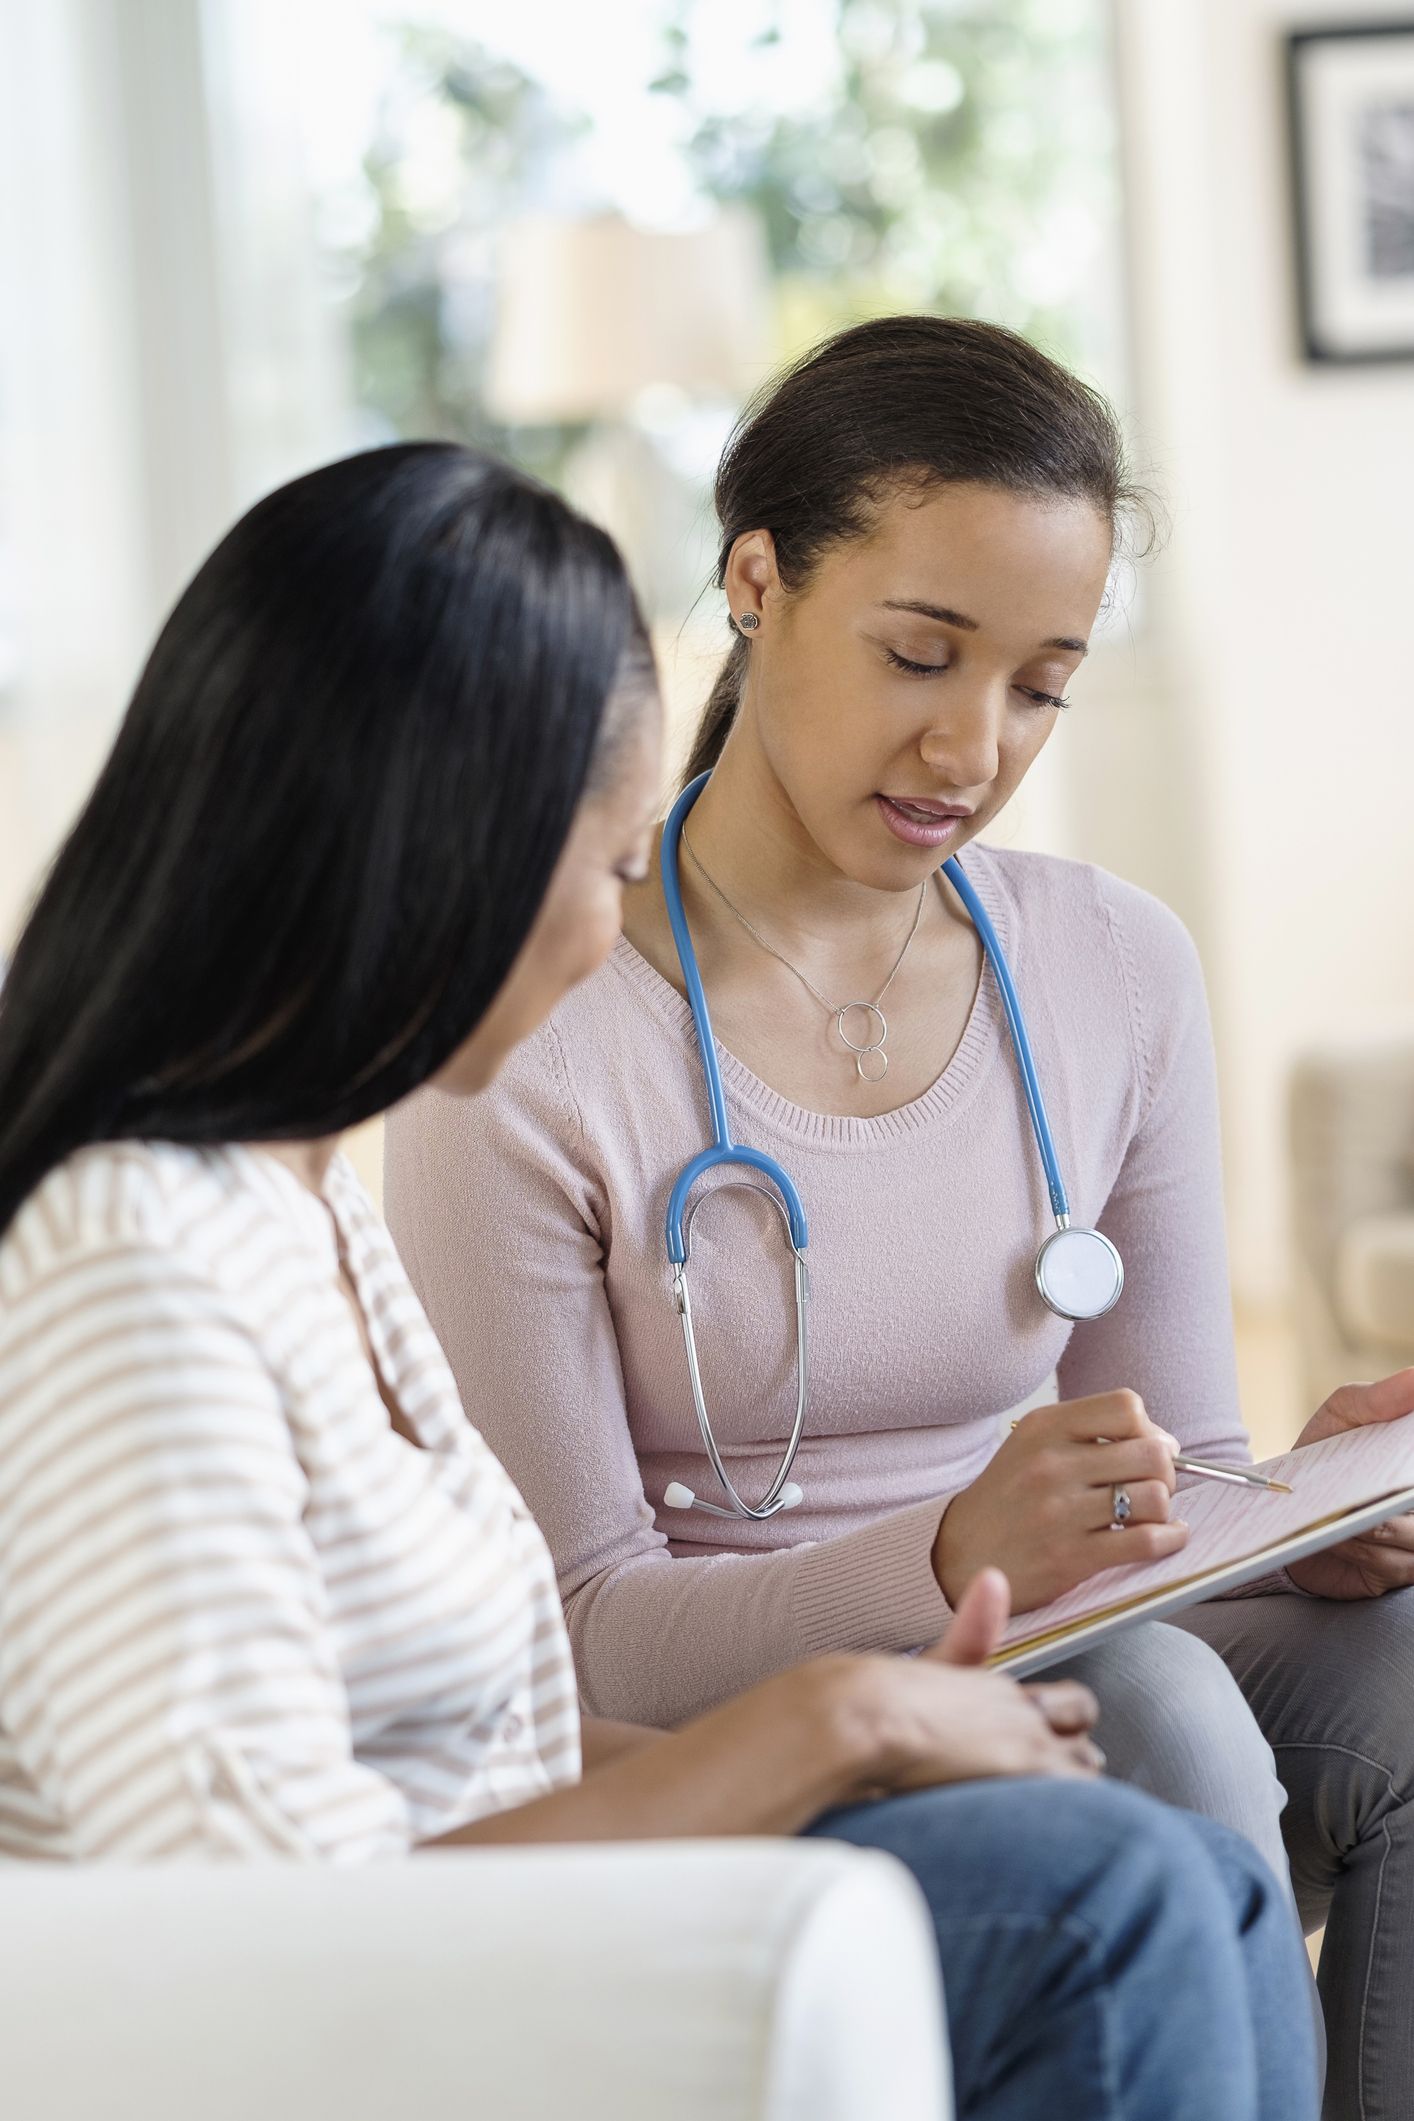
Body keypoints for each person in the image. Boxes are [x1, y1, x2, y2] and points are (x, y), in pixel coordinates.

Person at [0, 443, 1314, 2121]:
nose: (604, 932)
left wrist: (895, 1723)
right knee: (1103, 1902)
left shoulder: (301, 1213)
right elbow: (250, 1933)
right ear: (428, 846)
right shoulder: (133, 1264)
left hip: (506, 1927)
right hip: (381, 2016)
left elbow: (502, 1749)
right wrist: (833, 1715)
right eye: (609, 862)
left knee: (1164, 1869)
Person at [383, 320, 1414, 2121]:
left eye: (1039, 686)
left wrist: (1291, 1523)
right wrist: (946, 1552)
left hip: (1076, 1622)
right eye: (920, 654)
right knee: (1160, 1708)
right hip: (727, 1699)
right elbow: (577, 1627)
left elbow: (1176, 1470)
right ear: (758, 580)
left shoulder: (1111, 964)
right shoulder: (534, 1023)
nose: (971, 743)